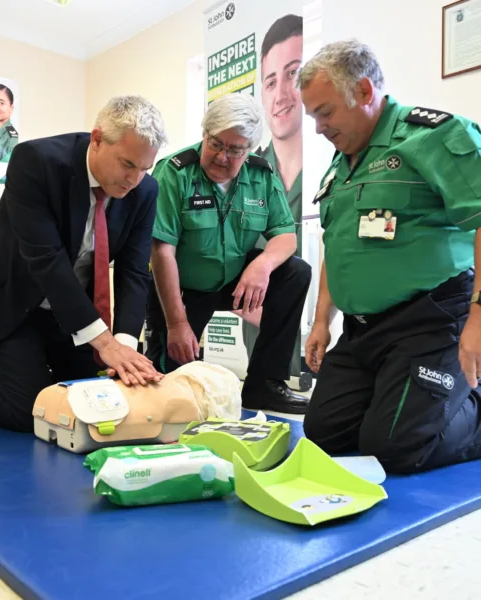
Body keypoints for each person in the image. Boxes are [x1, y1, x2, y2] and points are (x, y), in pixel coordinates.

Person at [0, 95, 168, 432]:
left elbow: (134, 271)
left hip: (69, 310)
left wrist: (124, 349)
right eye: (127, 164)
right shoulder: (36, 160)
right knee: (29, 410)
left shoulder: (145, 191)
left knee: (95, 400)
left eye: (144, 169)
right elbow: (47, 260)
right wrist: (105, 344)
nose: (134, 180)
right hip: (11, 301)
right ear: (97, 139)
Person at [298, 39, 481, 473]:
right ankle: (414, 404)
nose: (319, 128)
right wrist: (322, 318)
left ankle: (466, 403)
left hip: (431, 320)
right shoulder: (341, 163)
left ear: (363, 91)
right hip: (364, 331)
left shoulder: (435, 136)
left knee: (395, 449)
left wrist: (479, 315)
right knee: (325, 435)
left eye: (325, 112)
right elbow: (339, 244)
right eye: (313, 117)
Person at [145, 92, 312, 414]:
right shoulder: (174, 172)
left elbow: (285, 235)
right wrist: (178, 324)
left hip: (233, 280)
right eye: (215, 144)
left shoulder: (261, 175)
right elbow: (161, 250)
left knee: (295, 273)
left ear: (248, 149)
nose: (222, 157)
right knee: (171, 390)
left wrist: (263, 264)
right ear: (204, 135)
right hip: (181, 287)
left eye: (234, 150)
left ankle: (265, 385)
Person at [241, 14, 305, 378]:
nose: (281, 94)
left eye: (293, 73)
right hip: (260, 330)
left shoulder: (330, 173)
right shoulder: (245, 173)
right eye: (270, 81)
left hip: (323, 334)